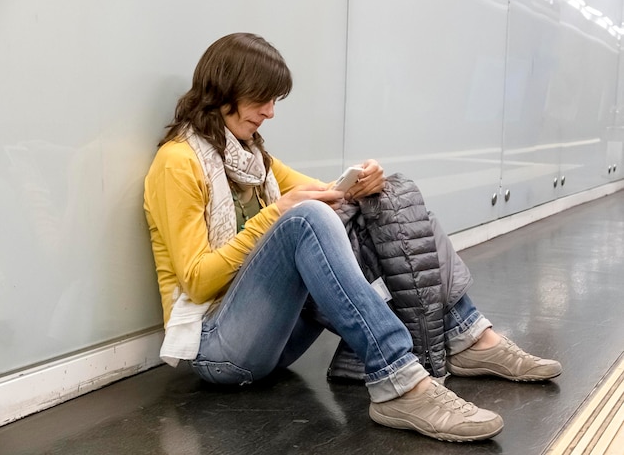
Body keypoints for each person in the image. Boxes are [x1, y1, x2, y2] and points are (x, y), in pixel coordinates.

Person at [143, 32, 562, 443]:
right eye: (261, 98)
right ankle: (400, 381)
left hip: (273, 342)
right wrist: (272, 216)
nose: (270, 112)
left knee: (385, 199)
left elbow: (336, 197)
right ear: (223, 90)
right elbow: (196, 280)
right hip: (217, 350)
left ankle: (469, 334)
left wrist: (367, 182)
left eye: (275, 100)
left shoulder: (253, 158)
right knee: (307, 218)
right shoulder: (178, 162)